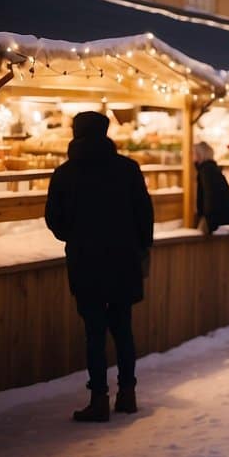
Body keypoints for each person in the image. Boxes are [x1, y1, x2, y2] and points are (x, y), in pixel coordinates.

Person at [45, 112, 153, 422]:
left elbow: (54, 219)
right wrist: (140, 245)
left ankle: (99, 399)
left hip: (86, 260)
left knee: (94, 332)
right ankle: (128, 394)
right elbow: (145, 213)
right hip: (123, 260)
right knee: (123, 329)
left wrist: (75, 235)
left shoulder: (65, 173)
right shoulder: (128, 169)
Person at [193, 142, 229, 235]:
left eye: (193, 153)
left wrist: (209, 222)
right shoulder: (212, 169)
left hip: (216, 220)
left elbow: (209, 196)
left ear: (199, 155)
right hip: (224, 218)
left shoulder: (205, 171)